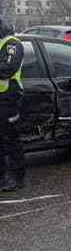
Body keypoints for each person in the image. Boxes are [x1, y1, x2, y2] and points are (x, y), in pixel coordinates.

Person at [0, 35, 24, 192]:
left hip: (8, 98)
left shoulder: (12, 43)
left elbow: (6, 69)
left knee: (11, 139)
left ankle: (16, 178)